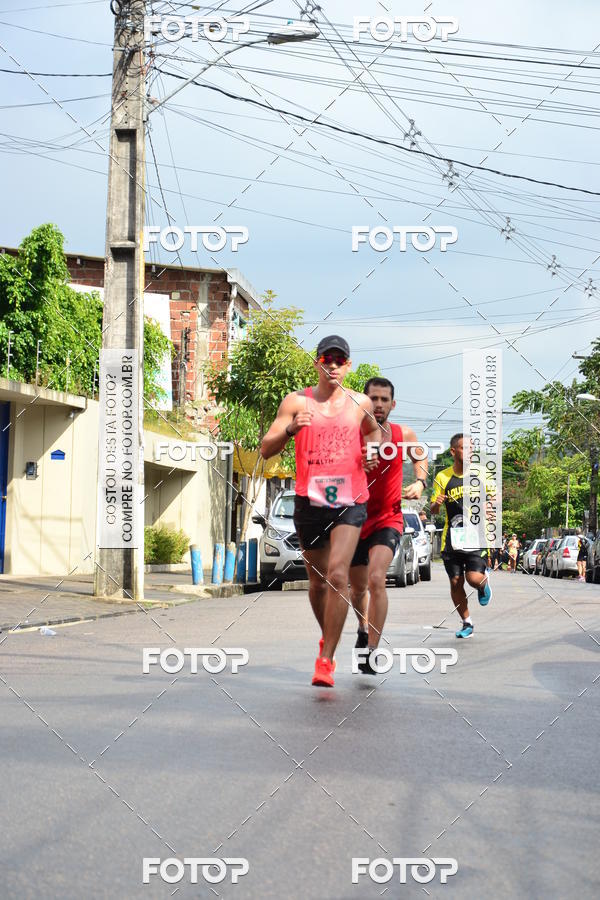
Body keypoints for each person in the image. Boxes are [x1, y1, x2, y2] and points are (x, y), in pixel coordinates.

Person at [260, 335, 380, 688]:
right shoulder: (296, 401)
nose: (332, 364)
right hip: (309, 501)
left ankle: (326, 659)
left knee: (338, 576)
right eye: (326, 358)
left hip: (350, 501)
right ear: (316, 363)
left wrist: (371, 453)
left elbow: (374, 434)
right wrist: (293, 428)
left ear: (348, 366)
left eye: (339, 360)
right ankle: (328, 637)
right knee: (317, 583)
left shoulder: (360, 403)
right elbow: (266, 448)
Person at [348, 377, 428, 673]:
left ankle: (371, 649)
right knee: (357, 590)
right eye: (374, 399)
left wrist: (420, 482)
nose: (378, 404)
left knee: (376, 579)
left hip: (388, 518)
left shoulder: (402, 434)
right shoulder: (350, 433)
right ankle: (362, 626)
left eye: (384, 400)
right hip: (353, 519)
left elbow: (420, 457)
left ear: (392, 404)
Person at [430, 433, 493, 639]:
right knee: (456, 582)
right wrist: (437, 503)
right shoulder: (442, 477)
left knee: (473, 578)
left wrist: (490, 505)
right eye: (465, 448)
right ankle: (467, 623)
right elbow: (433, 510)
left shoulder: (482, 473)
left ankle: (483, 584)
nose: (469, 452)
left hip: (477, 536)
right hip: (452, 538)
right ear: (454, 451)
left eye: (472, 448)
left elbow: (494, 496)